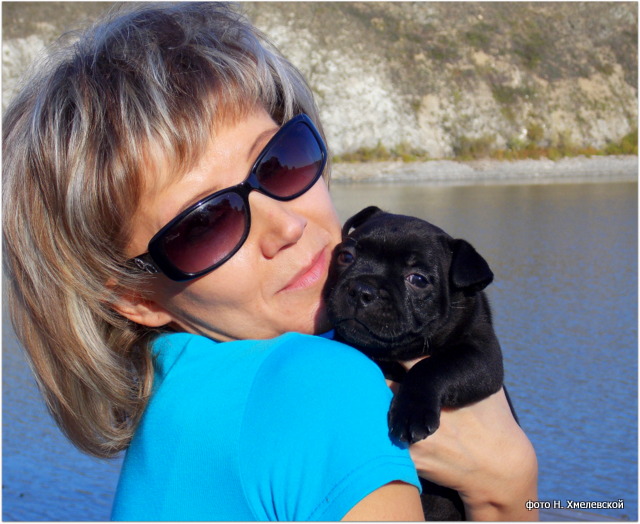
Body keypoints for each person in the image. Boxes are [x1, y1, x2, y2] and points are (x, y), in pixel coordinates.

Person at [3, 2, 537, 521]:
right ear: (135, 297)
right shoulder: (325, 382)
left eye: (282, 161)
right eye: (205, 224)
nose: (286, 226)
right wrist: (508, 484)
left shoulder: (177, 388)